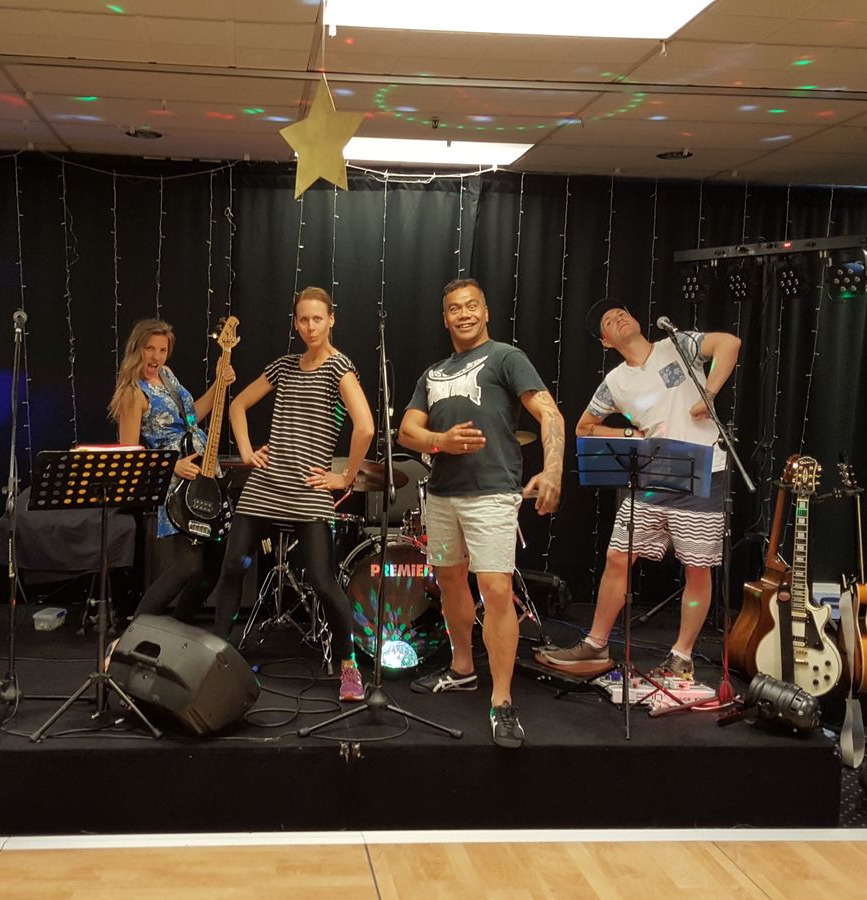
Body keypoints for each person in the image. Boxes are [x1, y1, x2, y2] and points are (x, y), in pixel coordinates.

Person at [397, 278, 565, 749]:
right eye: (455, 308)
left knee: (495, 588)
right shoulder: (433, 373)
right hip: (442, 494)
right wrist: (440, 441)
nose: (464, 314)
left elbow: (550, 414)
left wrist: (553, 471)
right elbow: (407, 430)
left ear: (486, 312)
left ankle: (502, 700)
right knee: (450, 582)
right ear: (445, 318)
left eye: (472, 306)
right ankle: (462, 668)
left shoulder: (506, 357)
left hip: (492, 491)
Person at [539, 304, 740, 683]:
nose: (618, 317)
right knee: (618, 556)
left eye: (621, 312)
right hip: (650, 476)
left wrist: (709, 394)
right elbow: (584, 427)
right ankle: (596, 644)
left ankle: (681, 656)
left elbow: (729, 343)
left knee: (697, 568)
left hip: (703, 470)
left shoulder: (678, 344)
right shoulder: (615, 382)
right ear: (606, 341)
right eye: (608, 321)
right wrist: (631, 434)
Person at [199, 287, 375, 702]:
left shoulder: (340, 368)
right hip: (265, 485)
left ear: (331, 320)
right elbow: (237, 406)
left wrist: (345, 477)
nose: (310, 327)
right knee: (231, 567)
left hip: (308, 489)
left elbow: (365, 426)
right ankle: (218, 656)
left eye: (318, 319)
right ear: (295, 322)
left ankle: (348, 667)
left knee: (322, 581)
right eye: (303, 319)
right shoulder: (283, 366)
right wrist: (247, 452)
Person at [110, 318, 235, 626]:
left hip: (206, 473)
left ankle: (177, 629)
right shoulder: (133, 393)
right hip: (175, 481)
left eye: (162, 350)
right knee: (188, 565)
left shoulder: (167, 376)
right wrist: (170, 465)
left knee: (213, 566)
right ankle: (135, 630)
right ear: (136, 349)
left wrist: (219, 383)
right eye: (149, 349)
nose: (156, 357)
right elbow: (128, 454)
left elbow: (193, 417)